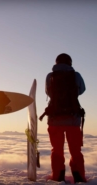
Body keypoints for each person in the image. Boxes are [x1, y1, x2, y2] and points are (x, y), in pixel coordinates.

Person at [40, 53, 86, 183]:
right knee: (76, 151)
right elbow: (82, 90)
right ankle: (79, 178)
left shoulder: (50, 76)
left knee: (57, 151)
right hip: (73, 120)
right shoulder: (76, 75)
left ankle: (58, 177)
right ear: (70, 63)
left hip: (54, 120)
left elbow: (48, 92)